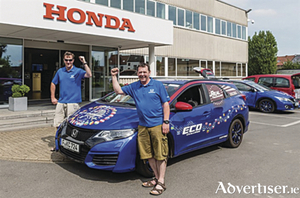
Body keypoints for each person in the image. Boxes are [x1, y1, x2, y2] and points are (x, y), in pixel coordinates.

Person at [111, 63, 170, 196]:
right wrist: (114, 77)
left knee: (160, 154)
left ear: (149, 72)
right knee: (148, 155)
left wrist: (165, 122)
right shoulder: (135, 86)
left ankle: (161, 181)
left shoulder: (157, 85)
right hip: (143, 126)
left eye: (144, 72)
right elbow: (118, 91)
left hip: (157, 125)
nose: (142, 74)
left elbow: (165, 103)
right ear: (137, 74)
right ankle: (156, 178)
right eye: (140, 72)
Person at [50, 51, 92, 151]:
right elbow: (53, 83)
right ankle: (58, 145)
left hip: (73, 103)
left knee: (72, 126)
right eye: (66, 60)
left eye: (70, 60)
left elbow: (89, 74)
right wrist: (53, 97)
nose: (68, 62)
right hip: (61, 102)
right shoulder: (60, 71)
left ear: (73, 61)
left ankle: (70, 146)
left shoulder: (78, 71)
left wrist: (84, 62)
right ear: (64, 60)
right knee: (58, 124)